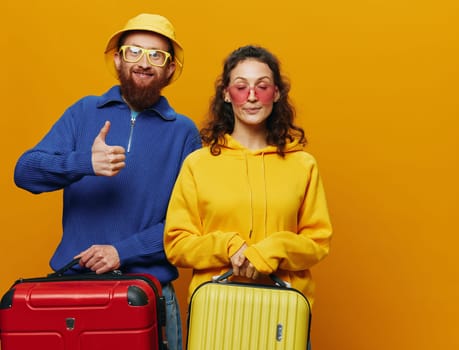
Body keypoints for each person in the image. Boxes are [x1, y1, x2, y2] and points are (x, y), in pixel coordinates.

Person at [13, 13, 201, 350]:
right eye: (134, 51)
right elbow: (24, 173)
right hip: (73, 294)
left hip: (149, 293)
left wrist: (121, 251)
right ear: (117, 58)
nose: (144, 63)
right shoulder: (83, 112)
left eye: (156, 55)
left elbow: (188, 222)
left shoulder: (184, 133)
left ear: (170, 69)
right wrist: (84, 162)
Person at [163, 44, 332, 317]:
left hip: (284, 312)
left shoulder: (303, 164)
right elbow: (177, 245)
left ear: (276, 93)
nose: (252, 96)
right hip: (217, 312)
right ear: (226, 95)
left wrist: (271, 251)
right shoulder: (198, 164)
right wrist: (229, 246)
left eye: (262, 86)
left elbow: (318, 242)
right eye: (241, 87)